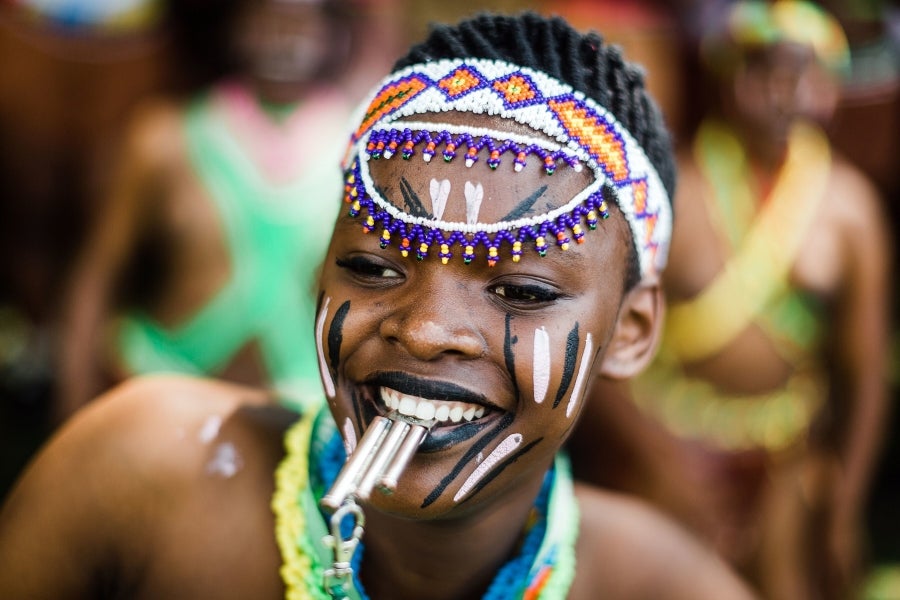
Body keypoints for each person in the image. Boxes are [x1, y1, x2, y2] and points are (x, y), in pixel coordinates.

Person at [0, 12, 758, 599]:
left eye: (522, 292)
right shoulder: (138, 481)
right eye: (372, 267)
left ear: (630, 330)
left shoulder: (670, 587)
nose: (426, 330)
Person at [568, 2, 893, 599]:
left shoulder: (850, 212)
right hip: (672, 446)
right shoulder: (673, 192)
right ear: (727, 78)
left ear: (827, 88)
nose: (779, 93)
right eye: (761, 71)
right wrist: (659, 461)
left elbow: (863, 374)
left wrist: (842, 505)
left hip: (784, 451)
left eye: (799, 75)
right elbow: (591, 336)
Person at [55, 0, 353, 421]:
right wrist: (73, 419)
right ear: (232, 30)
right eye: (265, 22)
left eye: (304, 25)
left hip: (296, 410)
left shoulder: (359, 152)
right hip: (158, 391)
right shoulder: (165, 139)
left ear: (337, 35)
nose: (284, 42)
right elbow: (96, 279)